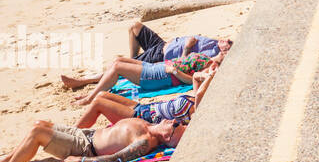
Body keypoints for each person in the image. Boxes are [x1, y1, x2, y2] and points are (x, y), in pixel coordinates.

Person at [0, 116, 180, 162]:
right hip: (87, 134)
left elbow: (116, 158)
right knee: (39, 124)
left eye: (176, 125)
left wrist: (81, 160)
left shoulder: (145, 142)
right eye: (176, 121)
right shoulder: (148, 123)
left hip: (84, 146)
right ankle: (8, 158)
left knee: (37, 133)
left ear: (168, 138)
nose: (172, 121)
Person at [59, 25, 230, 89]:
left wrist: (186, 47)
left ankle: (84, 81)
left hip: (161, 56)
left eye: (228, 44)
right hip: (160, 44)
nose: (226, 40)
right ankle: (134, 58)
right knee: (135, 27)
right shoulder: (214, 42)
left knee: (118, 66)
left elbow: (186, 65)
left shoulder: (210, 56)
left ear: (225, 53)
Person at [73, 66, 216, 133]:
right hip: (143, 108)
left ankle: (73, 134)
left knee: (98, 103)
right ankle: (74, 130)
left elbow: (200, 93)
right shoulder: (198, 99)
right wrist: (206, 76)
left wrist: (210, 78)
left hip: (143, 119)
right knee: (102, 95)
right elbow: (196, 77)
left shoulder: (199, 110)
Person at [70, 50, 220, 108]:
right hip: (160, 66)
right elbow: (186, 63)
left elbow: (193, 80)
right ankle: (89, 88)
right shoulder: (207, 57)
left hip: (161, 76)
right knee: (118, 60)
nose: (223, 48)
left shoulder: (210, 67)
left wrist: (174, 71)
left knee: (117, 68)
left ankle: (90, 98)